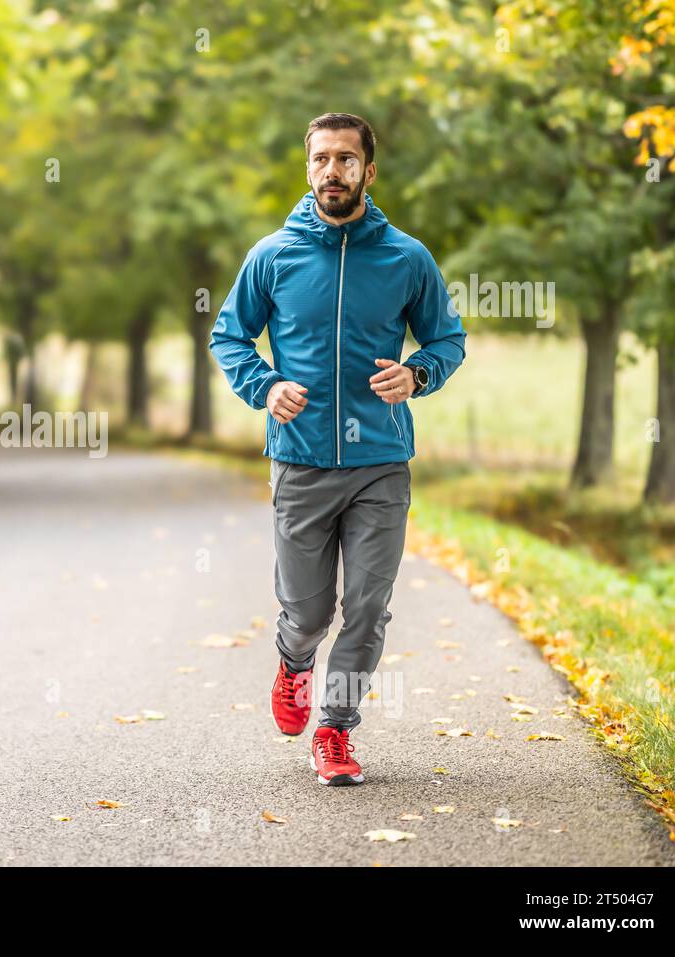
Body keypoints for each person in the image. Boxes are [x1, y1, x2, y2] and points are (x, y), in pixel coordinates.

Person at [208, 112, 467, 786]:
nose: (333, 170)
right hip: (300, 461)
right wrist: (265, 387)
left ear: (368, 172)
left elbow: (449, 340)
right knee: (310, 611)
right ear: (308, 168)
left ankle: (334, 730)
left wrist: (417, 373)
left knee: (369, 607)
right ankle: (294, 662)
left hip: (381, 462)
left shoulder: (407, 258)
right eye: (321, 158)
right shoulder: (273, 255)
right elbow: (229, 337)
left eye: (346, 159)